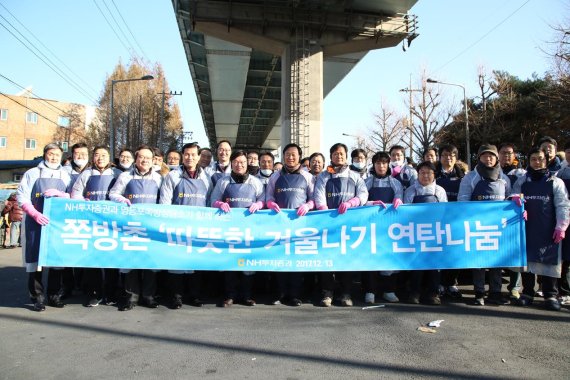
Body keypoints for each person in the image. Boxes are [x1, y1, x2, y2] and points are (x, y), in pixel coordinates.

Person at [512, 147, 569, 311]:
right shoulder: (522, 181)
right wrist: (515, 202)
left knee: (549, 260)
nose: (537, 162)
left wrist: (561, 226)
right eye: (533, 159)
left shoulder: (555, 181)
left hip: (548, 228)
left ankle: (550, 294)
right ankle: (527, 293)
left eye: (540, 159)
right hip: (526, 228)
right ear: (528, 161)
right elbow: (513, 198)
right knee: (527, 261)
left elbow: (563, 205)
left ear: (547, 160)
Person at [17, 143, 71, 311]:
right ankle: (37, 297)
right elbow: (22, 196)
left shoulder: (66, 175)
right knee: (35, 260)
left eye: (57, 155)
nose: (54, 157)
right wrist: (34, 213)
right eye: (51, 154)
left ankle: (54, 295)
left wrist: (62, 194)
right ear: (44, 155)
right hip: (35, 222)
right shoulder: (32, 173)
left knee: (56, 260)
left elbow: (74, 196)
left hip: (57, 224)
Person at [314, 143, 368, 307]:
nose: (339, 156)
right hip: (328, 224)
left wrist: (353, 202)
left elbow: (363, 193)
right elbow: (319, 195)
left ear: (346, 156)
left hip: (349, 224)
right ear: (331, 157)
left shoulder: (355, 175)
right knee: (327, 259)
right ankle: (327, 293)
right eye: (336, 154)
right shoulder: (324, 176)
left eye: (342, 154)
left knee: (346, 258)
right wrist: (324, 211)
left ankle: (346, 293)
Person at [109, 145, 163, 311]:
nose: (144, 160)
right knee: (130, 261)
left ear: (153, 160)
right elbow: (113, 194)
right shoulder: (126, 176)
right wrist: (122, 200)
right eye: (141, 157)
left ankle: (148, 296)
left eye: (148, 158)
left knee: (150, 261)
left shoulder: (159, 178)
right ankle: (131, 297)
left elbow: (164, 200)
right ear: (136, 159)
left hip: (151, 225)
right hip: (130, 224)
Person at [159, 142, 212, 309]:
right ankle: (176, 296)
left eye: (193, 155)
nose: (190, 157)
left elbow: (209, 202)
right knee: (176, 263)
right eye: (187, 154)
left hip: (198, 228)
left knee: (195, 263)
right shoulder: (173, 176)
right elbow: (165, 202)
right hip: (177, 227)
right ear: (183, 156)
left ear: (198, 157)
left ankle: (194, 295)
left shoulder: (206, 178)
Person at [458, 144, 512, 306]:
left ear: (496, 158)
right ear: (479, 158)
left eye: (491, 156)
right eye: (484, 156)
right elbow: (463, 200)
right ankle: (479, 292)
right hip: (478, 225)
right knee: (479, 261)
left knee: (497, 260)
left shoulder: (504, 178)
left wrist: (517, 205)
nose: (488, 159)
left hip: (498, 226)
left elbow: (510, 198)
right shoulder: (470, 177)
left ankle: (495, 292)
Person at [210, 150, 265, 307]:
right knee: (231, 262)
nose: (239, 165)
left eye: (242, 162)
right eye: (236, 162)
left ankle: (247, 295)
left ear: (247, 163)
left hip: (249, 229)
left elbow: (263, 199)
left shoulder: (255, 182)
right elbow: (213, 199)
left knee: (248, 263)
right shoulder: (223, 181)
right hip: (230, 229)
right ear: (231, 163)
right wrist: (219, 204)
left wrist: (259, 204)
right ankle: (230, 295)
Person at [71, 146, 122, 307]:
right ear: (93, 158)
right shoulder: (86, 174)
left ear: (110, 157)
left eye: (104, 155)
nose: (100, 158)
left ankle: (111, 293)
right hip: (91, 221)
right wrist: (82, 204)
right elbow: (76, 194)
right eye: (97, 155)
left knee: (111, 260)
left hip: (112, 223)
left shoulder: (117, 174)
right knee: (92, 260)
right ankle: (94, 293)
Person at [265, 143, 315, 306]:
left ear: (299, 157)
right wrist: (271, 203)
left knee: (296, 260)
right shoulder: (275, 176)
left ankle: (294, 294)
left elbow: (314, 198)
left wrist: (308, 205)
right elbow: (268, 197)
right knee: (279, 259)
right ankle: (279, 293)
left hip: (300, 224)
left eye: (293, 154)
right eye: (287, 154)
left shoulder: (307, 177)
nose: (290, 157)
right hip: (278, 224)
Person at [404, 161, 448, 305]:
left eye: (429, 172)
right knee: (417, 265)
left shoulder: (439, 191)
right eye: (422, 172)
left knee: (434, 265)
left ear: (434, 175)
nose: (425, 175)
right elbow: (406, 213)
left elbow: (445, 212)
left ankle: (433, 294)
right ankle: (414, 293)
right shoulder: (411, 191)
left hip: (434, 233)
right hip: (415, 233)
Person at [363, 151, 403, 304]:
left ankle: (389, 290)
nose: (381, 166)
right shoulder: (366, 182)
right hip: (371, 226)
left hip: (389, 226)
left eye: (384, 163)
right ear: (374, 165)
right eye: (378, 163)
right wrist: (370, 203)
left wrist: (399, 201)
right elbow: (360, 200)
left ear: (388, 165)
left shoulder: (395, 183)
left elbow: (400, 197)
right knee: (371, 258)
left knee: (389, 259)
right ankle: (370, 291)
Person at [435, 144, 466, 299]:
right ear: (440, 157)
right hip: (436, 220)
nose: (449, 158)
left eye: (452, 155)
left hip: (456, 220)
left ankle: (451, 283)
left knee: (454, 252)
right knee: (439, 252)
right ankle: (439, 283)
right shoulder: (433, 174)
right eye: (445, 155)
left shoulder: (463, 176)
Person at [556, 141, 570, 306]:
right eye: (568, 152)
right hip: (565, 218)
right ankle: (564, 291)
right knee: (565, 257)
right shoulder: (561, 174)